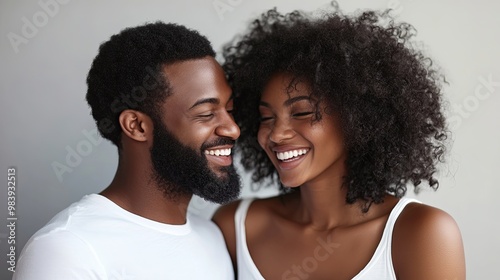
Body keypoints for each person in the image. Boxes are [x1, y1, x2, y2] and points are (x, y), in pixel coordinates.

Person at [213, 7, 466, 280]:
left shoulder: (421, 233)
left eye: (301, 113)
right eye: (266, 117)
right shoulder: (236, 226)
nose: (275, 134)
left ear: (355, 117)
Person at [14, 22, 240, 279]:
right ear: (137, 126)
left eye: (230, 111)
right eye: (206, 114)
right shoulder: (67, 250)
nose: (232, 129)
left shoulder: (213, 238)